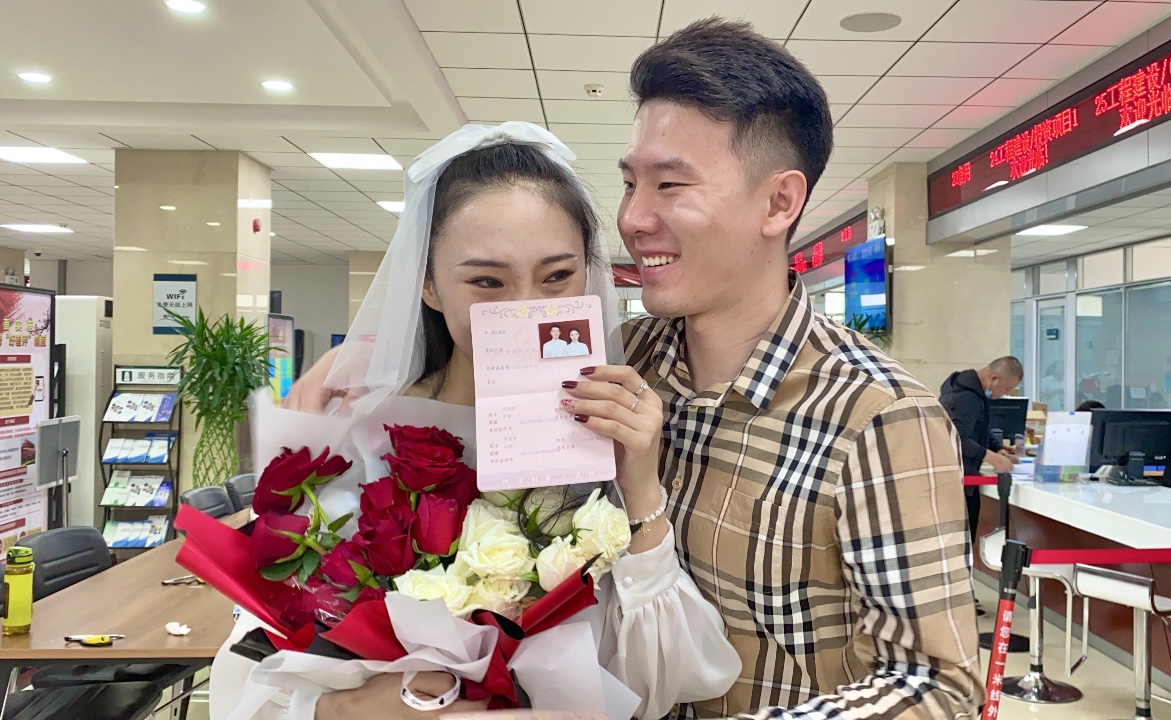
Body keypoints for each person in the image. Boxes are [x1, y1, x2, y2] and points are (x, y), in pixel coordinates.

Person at [287, 18, 980, 720]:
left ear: (779, 202)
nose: (635, 218)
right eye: (629, 183)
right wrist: (375, 365)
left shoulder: (877, 416)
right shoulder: (619, 358)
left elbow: (937, 687)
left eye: (670, 185)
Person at [213, 125, 740, 720]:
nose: (526, 309)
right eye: (487, 282)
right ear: (429, 285)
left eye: (557, 276)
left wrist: (640, 487)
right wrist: (347, 708)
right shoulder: (358, 431)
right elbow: (249, 669)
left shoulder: (607, 433)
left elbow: (664, 680)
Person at [939, 356, 1023, 546]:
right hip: (958, 485)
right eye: (1007, 388)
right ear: (994, 378)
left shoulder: (969, 391)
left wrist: (998, 449)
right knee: (961, 545)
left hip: (959, 480)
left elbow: (978, 427)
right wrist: (990, 457)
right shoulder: (966, 397)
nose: (1006, 394)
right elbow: (957, 437)